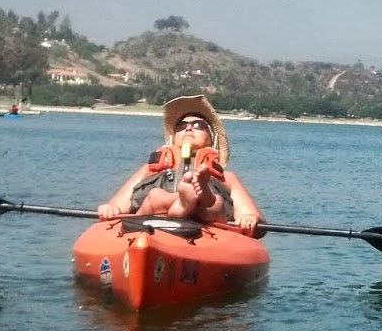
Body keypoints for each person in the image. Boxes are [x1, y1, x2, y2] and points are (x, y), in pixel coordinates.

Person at [96, 94, 264, 233]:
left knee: (216, 204)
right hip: (149, 222)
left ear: (212, 139)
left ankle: (190, 201)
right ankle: (186, 200)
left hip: (208, 224)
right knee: (154, 196)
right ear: (173, 138)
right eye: (181, 126)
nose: (188, 128)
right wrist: (110, 208)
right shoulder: (149, 170)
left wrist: (249, 218)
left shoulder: (228, 178)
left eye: (198, 125)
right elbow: (117, 204)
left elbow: (254, 218)